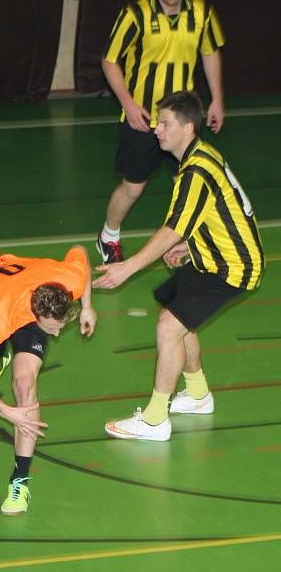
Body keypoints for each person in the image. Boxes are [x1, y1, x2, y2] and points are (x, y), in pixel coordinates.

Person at [94, 90, 264, 441]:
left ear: (187, 128)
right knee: (174, 308)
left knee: (169, 327)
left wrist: (127, 268)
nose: (156, 129)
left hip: (232, 267)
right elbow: (215, 216)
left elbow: (170, 229)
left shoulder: (195, 172)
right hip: (215, 255)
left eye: (165, 123)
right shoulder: (198, 157)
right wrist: (190, 246)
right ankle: (198, 394)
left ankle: (156, 419)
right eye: (157, 122)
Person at [97, 0, 225, 265]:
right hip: (144, 119)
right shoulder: (135, 14)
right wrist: (128, 104)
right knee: (133, 187)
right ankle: (108, 237)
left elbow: (210, 53)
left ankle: (193, 243)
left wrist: (217, 100)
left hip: (184, 121)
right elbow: (109, 60)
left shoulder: (202, 12)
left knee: (193, 182)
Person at [0, 247, 97, 514]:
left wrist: (88, 306)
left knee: (24, 383)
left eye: (62, 325)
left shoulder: (70, 282)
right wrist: (5, 410)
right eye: (52, 328)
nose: (57, 335)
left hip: (25, 291)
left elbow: (80, 252)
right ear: (37, 315)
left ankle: (19, 482)